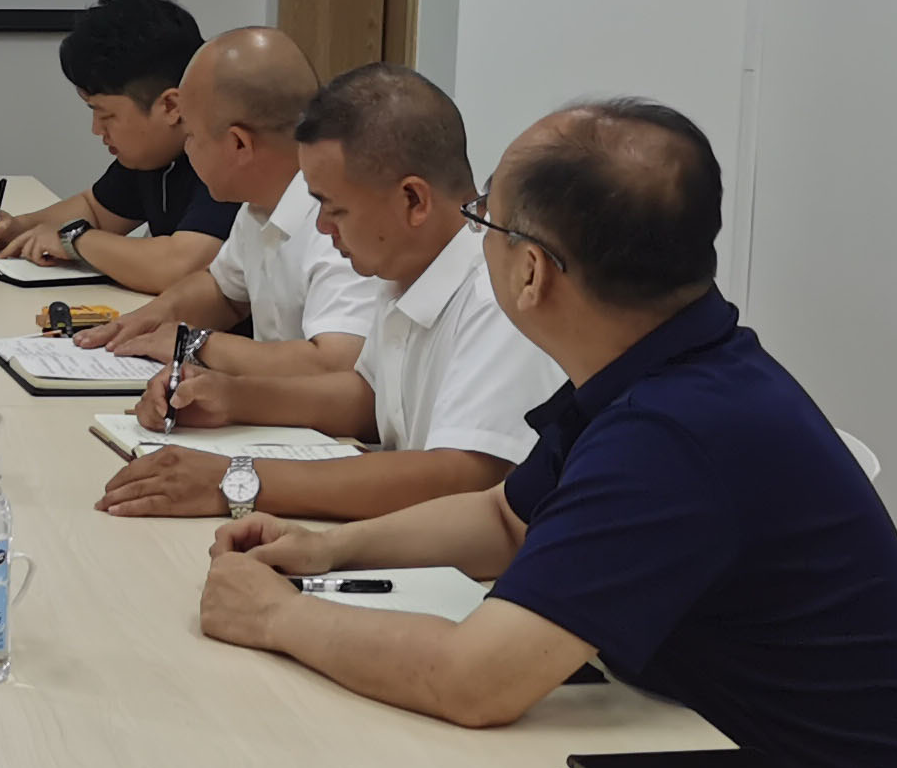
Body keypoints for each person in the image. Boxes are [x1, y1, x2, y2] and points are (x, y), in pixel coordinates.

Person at [194, 100, 897, 768]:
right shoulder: (665, 368)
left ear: (531, 272)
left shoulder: (676, 435)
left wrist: (276, 617)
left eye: (483, 220)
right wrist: (329, 550)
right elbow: (505, 520)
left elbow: (475, 680)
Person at [101, 62, 557, 521]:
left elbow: (461, 476)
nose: (321, 227)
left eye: (335, 210)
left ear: (413, 201)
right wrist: (232, 397)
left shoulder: (495, 296)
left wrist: (236, 479)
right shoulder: (405, 268)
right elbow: (370, 399)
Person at [84, 26, 391, 440]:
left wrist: (194, 344)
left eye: (191, 136)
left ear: (239, 145)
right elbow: (222, 291)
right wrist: (145, 322)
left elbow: (335, 364)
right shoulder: (259, 204)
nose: (186, 150)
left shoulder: (336, 219)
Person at [0, 0, 238, 293]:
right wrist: (14, 229)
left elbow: (179, 267)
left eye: (106, 114)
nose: (96, 129)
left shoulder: (228, 154)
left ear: (170, 106)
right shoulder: (155, 154)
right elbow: (95, 209)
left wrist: (74, 239)